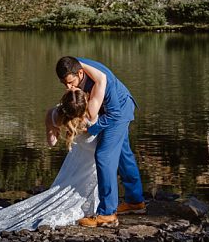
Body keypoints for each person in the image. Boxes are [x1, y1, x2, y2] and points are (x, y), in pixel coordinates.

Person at [0, 89, 100, 232]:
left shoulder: (53, 115)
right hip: (96, 152)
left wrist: (56, 128)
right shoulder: (91, 109)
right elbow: (101, 81)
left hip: (79, 154)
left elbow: (52, 143)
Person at [58, 55, 146, 228]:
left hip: (119, 111)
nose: (69, 87)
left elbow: (114, 115)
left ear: (80, 73)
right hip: (110, 112)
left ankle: (107, 214)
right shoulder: (73, 67)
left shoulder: (101, 79)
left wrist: (91, 129)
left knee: (104, 156)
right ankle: (136, 202)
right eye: (64, 83)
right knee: (123, 155)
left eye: (71, 82)